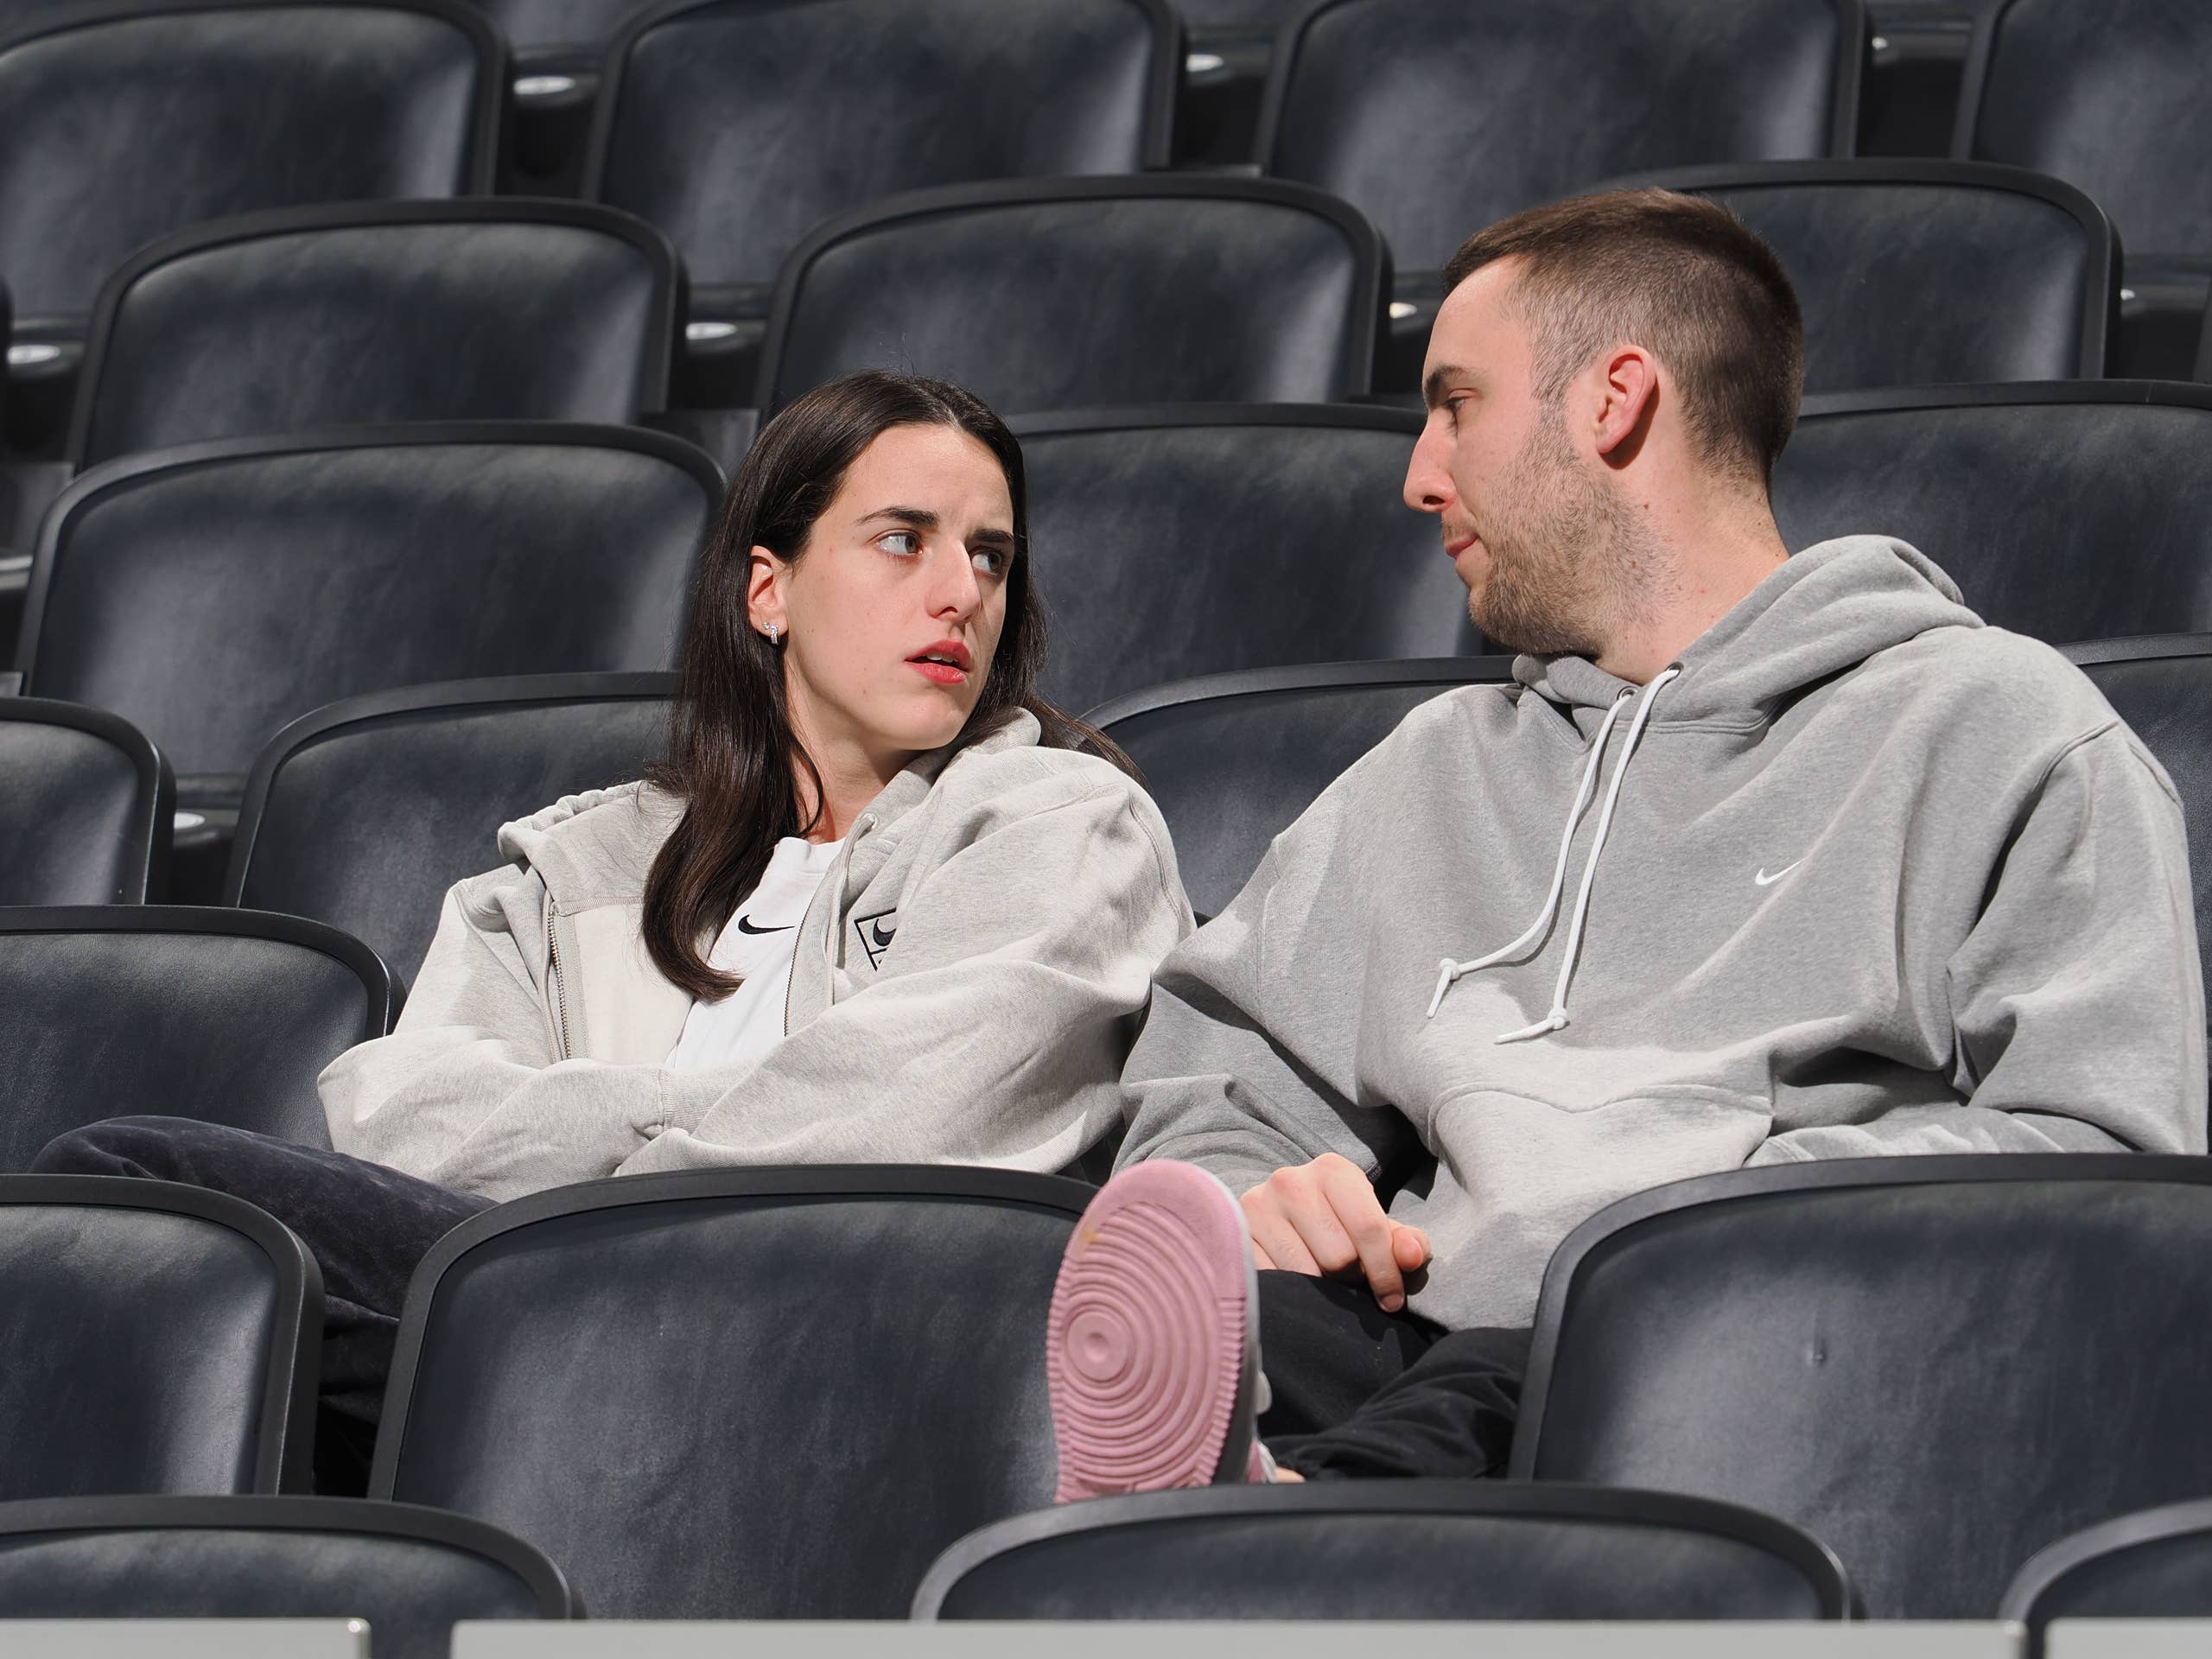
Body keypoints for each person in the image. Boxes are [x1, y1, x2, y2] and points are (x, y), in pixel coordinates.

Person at [1041, 189, 2207, 1500]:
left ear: (1613, 403)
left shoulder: (2001, 730)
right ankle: (1252, 1516)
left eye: (1457, 403)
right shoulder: (1435, 770)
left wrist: (1698, 1215)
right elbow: (1217, 1080)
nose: (1419, 473)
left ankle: (1285, 1533)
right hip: (1410, 1327)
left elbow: (2109, 1157)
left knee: (1548, 1375)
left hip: (1759, 1337)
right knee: (1072, 1383)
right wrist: (1251, 1193)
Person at [35, 370, 1192, 1488]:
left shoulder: (1067, 823)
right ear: (768, 591)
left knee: (133, 1182)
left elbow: (908, 1133)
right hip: (552, 1323)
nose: (960, 593)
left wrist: (580, 1192)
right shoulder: (574, 867)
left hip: (846, 1332)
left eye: (990, 555)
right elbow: (402, 1118)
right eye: (904, 540)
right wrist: (665, 1146)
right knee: (139, 1224)